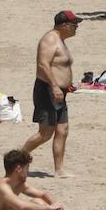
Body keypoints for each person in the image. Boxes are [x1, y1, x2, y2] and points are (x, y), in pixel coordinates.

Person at [22, 11, 79, 177]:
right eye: (75, 25)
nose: (77, 28)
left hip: (60, 92)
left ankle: (59, 170)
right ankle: (19, 159)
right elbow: (43, 64)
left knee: (63, 129)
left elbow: (59, 67)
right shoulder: (49, 39)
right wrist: (54, 86)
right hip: (47, 90)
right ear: (64, 25)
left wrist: (66, 85)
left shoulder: (60, 40)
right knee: (45, 133)